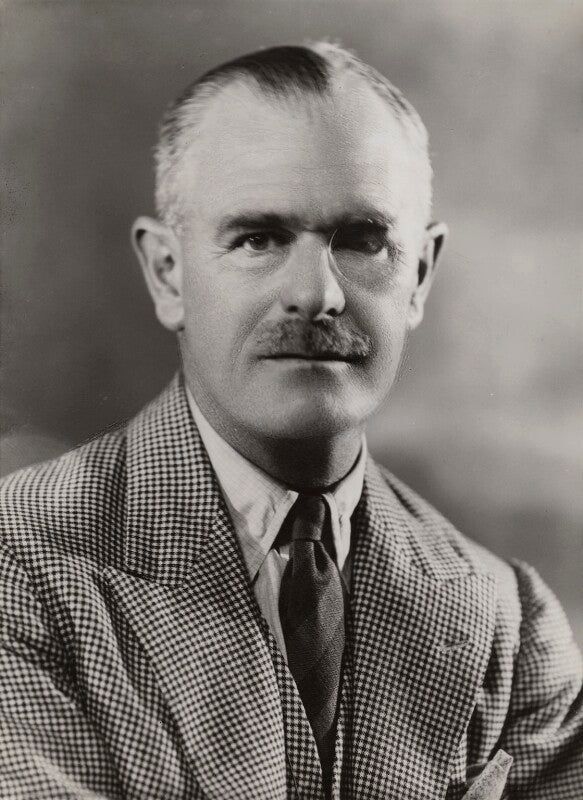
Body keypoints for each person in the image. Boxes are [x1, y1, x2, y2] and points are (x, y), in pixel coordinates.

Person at [0, 42, 581, 800]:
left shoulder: (510, 620)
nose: (317, 294)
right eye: (259, 238)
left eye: (363, 240)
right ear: (168, 273)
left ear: (418, 275)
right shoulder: (19, 559)